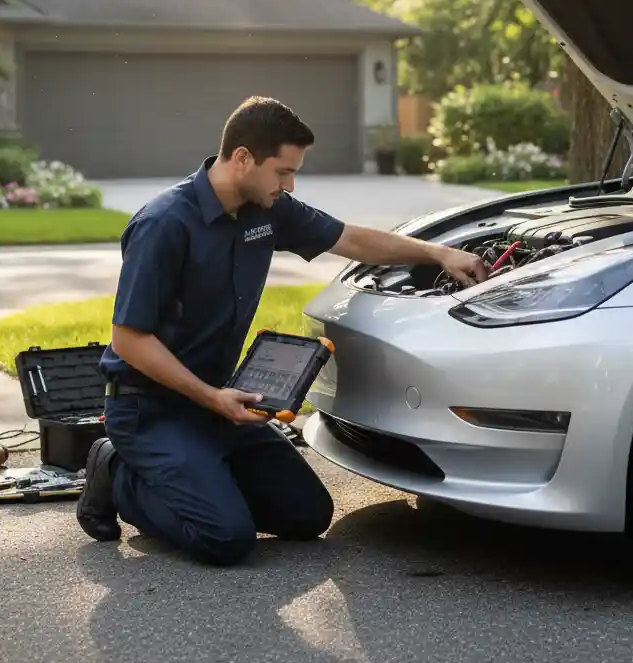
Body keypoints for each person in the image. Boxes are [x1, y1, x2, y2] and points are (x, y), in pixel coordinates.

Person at [76, 96, 488, 564]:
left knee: (307, 516)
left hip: (219, 404)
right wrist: (212, 399)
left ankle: (203, 478)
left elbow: (351, 239)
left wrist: (439, 255)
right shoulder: (164, 224)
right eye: (283, 172)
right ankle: (115, 470)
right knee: (226, 540)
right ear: (243, 158)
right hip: (149, 409)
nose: (290, 185)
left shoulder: (269, 210)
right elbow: (129, 340)